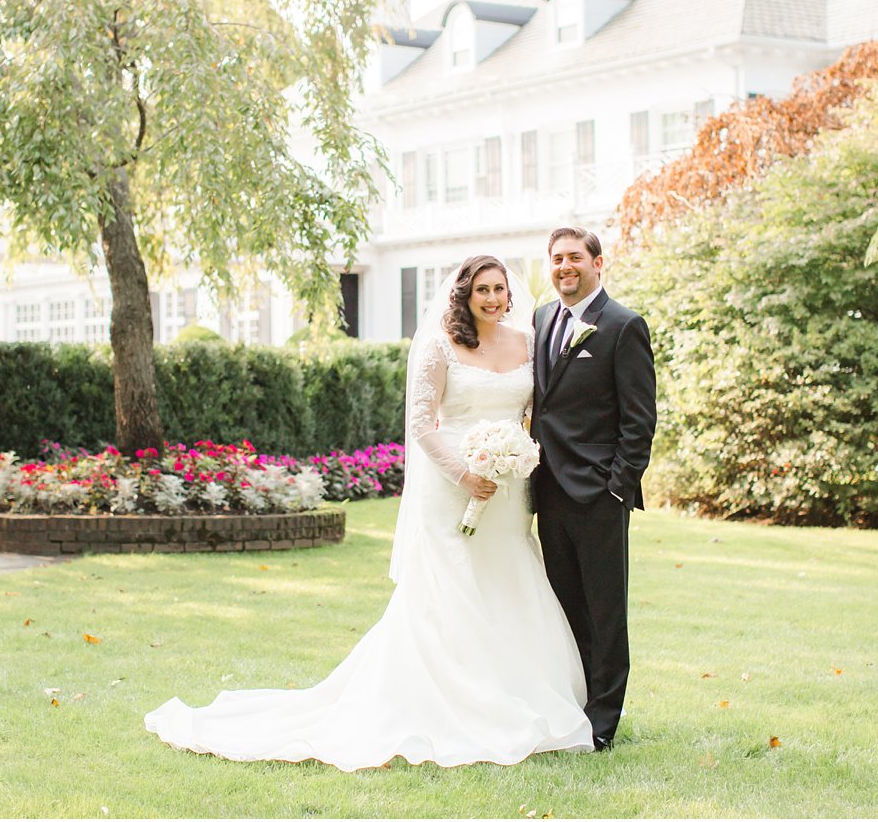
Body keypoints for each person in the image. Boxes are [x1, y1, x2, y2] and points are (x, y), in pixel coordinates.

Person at [145, 255, 591, 771]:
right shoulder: (439, 345)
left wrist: (517, 453)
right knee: (451, 589)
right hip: (451, 487)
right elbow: (423, 425)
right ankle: (451, 702)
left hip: (509, 491)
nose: (492, 299)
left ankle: (521, 695)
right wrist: (464, 474)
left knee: (507, 577)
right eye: (482, 290)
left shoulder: (524, 342)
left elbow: (532, 411)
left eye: (498, 289)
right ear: (464, 295)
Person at [530, 226, 657, 751]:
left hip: (598, 496)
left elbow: (639, 421)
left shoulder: (624, 326)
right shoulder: (540, 318)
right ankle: (572, 707)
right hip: (547, 495)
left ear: (597, 263)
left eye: (575, 257)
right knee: (564, 610)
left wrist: (616, 489)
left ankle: (602, 722)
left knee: (605, 613)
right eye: (557, 258)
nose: (565, 266)